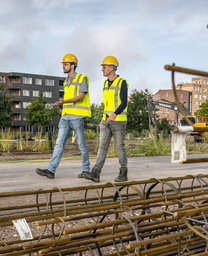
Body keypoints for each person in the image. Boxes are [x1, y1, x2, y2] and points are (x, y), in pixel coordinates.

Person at [35, 53, 91, 179]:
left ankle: (86, 170)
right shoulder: (65, 81)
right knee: (59, 144)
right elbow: (69, 99)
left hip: (77, 116)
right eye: (63, 64)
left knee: (82, 145)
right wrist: (61, 106)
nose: (63, 66)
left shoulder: (82, 78)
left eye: (65, 64)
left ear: (73, 66)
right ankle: (51, 170)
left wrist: (64, 101)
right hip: (65, 117)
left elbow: (81, 96)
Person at [80, 55, 128, 183]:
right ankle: (96, 173)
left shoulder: (122, 82)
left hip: (118, 121)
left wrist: (115, 114)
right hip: (105, 121)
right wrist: (105, 117)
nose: (102, 69)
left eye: (104, 66)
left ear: (112, 68)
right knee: (102, 147)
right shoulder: (105, 83)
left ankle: (123, 172)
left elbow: (124, 103)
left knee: (119, 147)